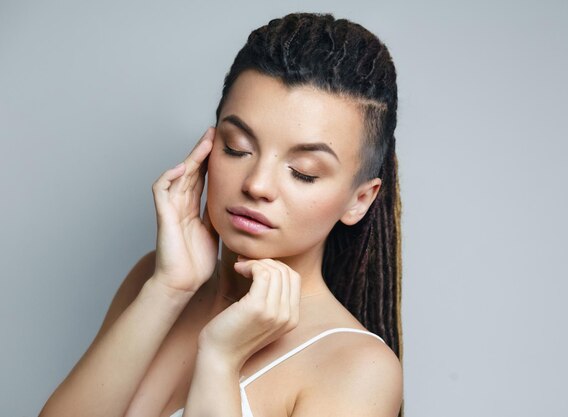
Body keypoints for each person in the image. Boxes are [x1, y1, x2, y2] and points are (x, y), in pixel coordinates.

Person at [39, 12, 403, 417]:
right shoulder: (153, 281)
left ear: (360, 200)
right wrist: (168, 290)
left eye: (304, 172)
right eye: (237, 148)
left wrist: (219, 360)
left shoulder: (358, 367)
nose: (257, 184)